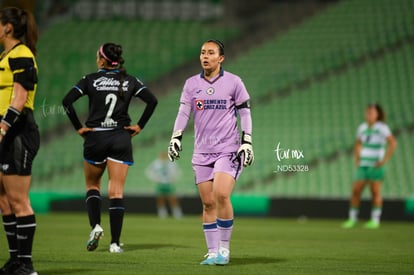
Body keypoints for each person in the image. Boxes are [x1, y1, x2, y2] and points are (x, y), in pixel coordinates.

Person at [62, 42, 157, 253]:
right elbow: (152, 101)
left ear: (102, 60)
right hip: (120, 138)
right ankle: (114, 243)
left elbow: (67, 101)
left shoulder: (90, 80)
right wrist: (140, 126)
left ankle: (96, 226)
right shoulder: (130, 81)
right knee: (116, 191)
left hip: (95, 137)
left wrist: (79, 127)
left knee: (93, 186)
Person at [168, 39, 254, 265]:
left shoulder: (234, 82)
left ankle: (224, 250)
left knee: (221, 194)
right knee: (208, 204)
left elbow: (244, 112)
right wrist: (176, 136)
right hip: (202, 152)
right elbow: (183, 113)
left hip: (228, 150)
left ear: (221, 58)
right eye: (202, 52)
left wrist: (247, 141)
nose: (205, 56)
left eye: (211, 53)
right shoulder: (190, 84)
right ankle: (212, 251)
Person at [0, 7, 40, 275]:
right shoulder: (5, 56)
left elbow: (19, 98)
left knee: (18, 199)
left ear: (7, 28)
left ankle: (26, 264)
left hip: (17, 132)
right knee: (3, 200)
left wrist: (2, 126)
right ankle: (15, 260)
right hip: (6, 132)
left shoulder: (22, 54)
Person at [342, 103, 396, 229]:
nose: (369, 115)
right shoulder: (362, 127)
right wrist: (357, 158)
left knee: (375, 191)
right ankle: (352, 218)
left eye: (372, 112)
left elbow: (393, 143)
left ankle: (375, 220)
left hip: (376, 165)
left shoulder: (382, 128)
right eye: (367, 112)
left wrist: (384, 160)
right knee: (355, 191)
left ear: (377, 114)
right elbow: (358, 144)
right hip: (363, 164)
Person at [146, 151, 183, 219]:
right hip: (160, 183)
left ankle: (177, 213)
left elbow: (177, 171)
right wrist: (155, 178)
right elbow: (149, 171)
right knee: (160, 199)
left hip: (169, 183)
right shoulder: (156, 163)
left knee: (173, 199)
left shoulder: (172, 163)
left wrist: (174, 178)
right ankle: (162, 214)